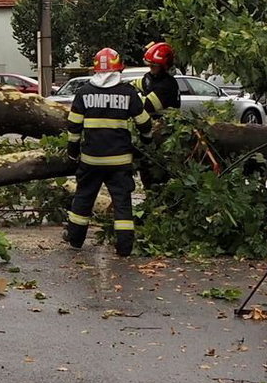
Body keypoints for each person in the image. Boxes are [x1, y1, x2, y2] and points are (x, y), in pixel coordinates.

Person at [63, 46, 161, 257]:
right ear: (119, 69)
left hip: (91, 160)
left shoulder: (84, 93)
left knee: (83, 198)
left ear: (96, 69)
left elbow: (73, 127)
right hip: (119, 161)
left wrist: (72, 152)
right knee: (122, 203)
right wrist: (146, 141)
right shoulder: (128, 93)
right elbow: (144, 123)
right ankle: (124, 248)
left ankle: (75, 240)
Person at [136, 41, 183, 185]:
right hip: (153, 130)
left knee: (156, 171)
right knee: (145, 168)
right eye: (149, 65)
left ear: (164, 67)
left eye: (154, 66)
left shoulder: (167, 85)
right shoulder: (150, 78)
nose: (150, 69)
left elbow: (147, 106)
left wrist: (129, 99)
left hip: (164, 132)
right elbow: (135, 85)